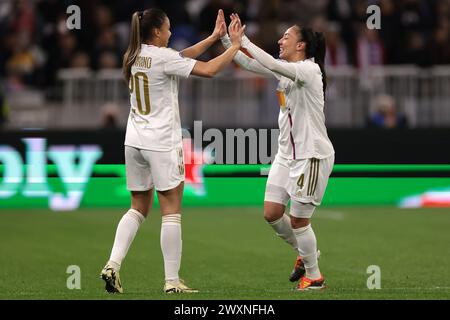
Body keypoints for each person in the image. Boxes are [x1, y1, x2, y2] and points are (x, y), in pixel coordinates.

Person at [100, 8, 244, 294]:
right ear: (156, 31)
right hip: (162, 142)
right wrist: (235, 47)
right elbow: (210, 70)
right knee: (171, 211)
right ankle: (171, 281)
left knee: (138, 207)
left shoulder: (132, 55)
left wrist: (214, 37)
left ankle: (113, 264)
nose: (170, 33)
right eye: (167, 29)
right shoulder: (163, 57)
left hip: (134, 141)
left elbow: (181, 57)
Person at [221, 14, 334, 290]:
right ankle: (307, 255)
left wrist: (243, 39)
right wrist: (227, 39)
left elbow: (268, 61)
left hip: (311, 155)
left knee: (299, 220)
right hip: (287, 154)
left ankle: (315, 276)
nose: (281, 39)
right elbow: (247, 62)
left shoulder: (309, 70)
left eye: (287, 36)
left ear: (302, 46)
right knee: (272, 213)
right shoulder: (286, 69)